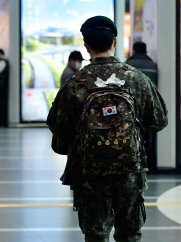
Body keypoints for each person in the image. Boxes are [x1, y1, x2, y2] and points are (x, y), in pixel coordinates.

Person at [47, 16, 168, 242]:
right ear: (114, 40)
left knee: (96, 234)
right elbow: (158, 121)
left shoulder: (75, 82)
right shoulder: (136, 79)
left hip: (90, 172)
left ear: (86, 46)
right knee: (129, 234)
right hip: (130, 170)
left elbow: (59, 130)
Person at [126, 42, 158, 174]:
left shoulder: (127, 65)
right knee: (149, 136)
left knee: (132, 135)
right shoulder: (153, 66)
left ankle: (134, 162)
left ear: (133, 51)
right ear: (146, 51)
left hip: (130, 108)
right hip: (149, 108)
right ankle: (149, 163)